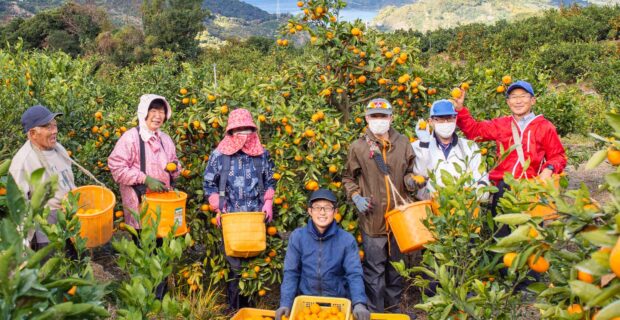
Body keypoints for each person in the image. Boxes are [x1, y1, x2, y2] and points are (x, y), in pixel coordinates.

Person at [342, 98, 418, 313]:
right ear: (367, 118)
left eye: (383, 116)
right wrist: (356, 196)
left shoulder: (403, 143)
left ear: (391, 118)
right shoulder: (358, 147)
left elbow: (409, 171)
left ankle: (393, 310)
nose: (379, 120)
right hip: (372, 219)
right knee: (374, 270)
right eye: (374, 116)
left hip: (400, 219)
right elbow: (348, 177)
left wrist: (411, 181)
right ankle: (376, 312)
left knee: (396, 268)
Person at [453, 80, 566, 224]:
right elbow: (474, 131)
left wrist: (549, 169)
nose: (518, 101)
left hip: (531, 189)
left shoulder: (544, 127)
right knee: (502, 237)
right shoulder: (502, 124)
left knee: (530, 237)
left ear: (533, 100)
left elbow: (558, 156)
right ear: (508, 102)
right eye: (513, 97)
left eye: (523, 96)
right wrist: (460, 109)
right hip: (504, 189)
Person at [203, 108, 276, 312]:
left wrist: (268, 200)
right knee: (234, 265)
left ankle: (251, 308)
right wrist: (216, 201)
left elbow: (271, 180)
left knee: (254, 264)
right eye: (238, 129)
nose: (243, 134)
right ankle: (234, 308)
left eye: (247, 129)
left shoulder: (262, 155)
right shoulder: (220, 155)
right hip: (231, 218)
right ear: (231, 131)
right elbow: (209, 184)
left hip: (255, 218)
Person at [275, 189, 370, 320]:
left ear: (335, 212)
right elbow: (291, 272)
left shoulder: (346, 240)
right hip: (307, 306)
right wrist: (285, 304)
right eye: (317, 208)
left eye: (327, 208)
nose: (322, 212)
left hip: (337, 307)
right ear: (310, 211)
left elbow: (354, 273)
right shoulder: (298, 237)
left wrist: (359, 303)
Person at [108, 94, 180, 232]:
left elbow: (174, 163)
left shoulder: (165, 139)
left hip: (163, 206)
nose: (158, 116)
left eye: (161, 112)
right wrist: (145, 179)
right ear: (144, 112)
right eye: (153, 111)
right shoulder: (131, 138)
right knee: (144, 248)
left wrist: (175, 167)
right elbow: (116, 167)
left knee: (163, 249)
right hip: (139, 207)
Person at [10, 105, 76, 250]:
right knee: (53, 268)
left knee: (76, 265)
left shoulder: (59, 149)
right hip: (46, 227)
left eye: (55, 125)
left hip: (71, 219)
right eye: (48, 127)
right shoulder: (23, 162)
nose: (55, 131)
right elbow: (19, 206)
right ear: (33, 133)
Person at [412, 99, 489, 200]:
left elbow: (481, 176)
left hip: (465, 207)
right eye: (440, 119)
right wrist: (424, 146)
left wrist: (477, 196)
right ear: (431, 121)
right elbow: (418, 178)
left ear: (456, 119)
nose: (446, 122)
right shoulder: (418, 146)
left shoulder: (470, 147)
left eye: (449, 118)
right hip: (430, 208)